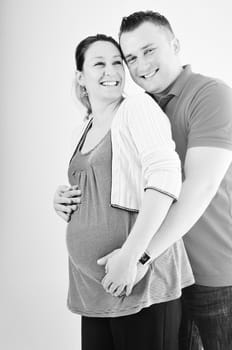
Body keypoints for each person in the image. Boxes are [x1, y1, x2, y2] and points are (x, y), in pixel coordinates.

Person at [96, 11, 232, 350]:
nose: (141, 65)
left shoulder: (211, 95)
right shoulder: (137, 110)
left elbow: (199, 189)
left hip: (216, 278)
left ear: (174, 45)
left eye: (149, 50)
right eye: (131, 58)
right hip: (166, 279)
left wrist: (139, 256)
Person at [53, 33, 194, 350]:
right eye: (99, 63)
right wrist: (60, 199)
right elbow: (97, 188)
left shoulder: (137, 108)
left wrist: (132, 256)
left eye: (118, 62)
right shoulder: (85, 127)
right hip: (93, 289)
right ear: (81, 76)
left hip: (138, 279)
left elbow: (166, 176)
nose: (112, 71)